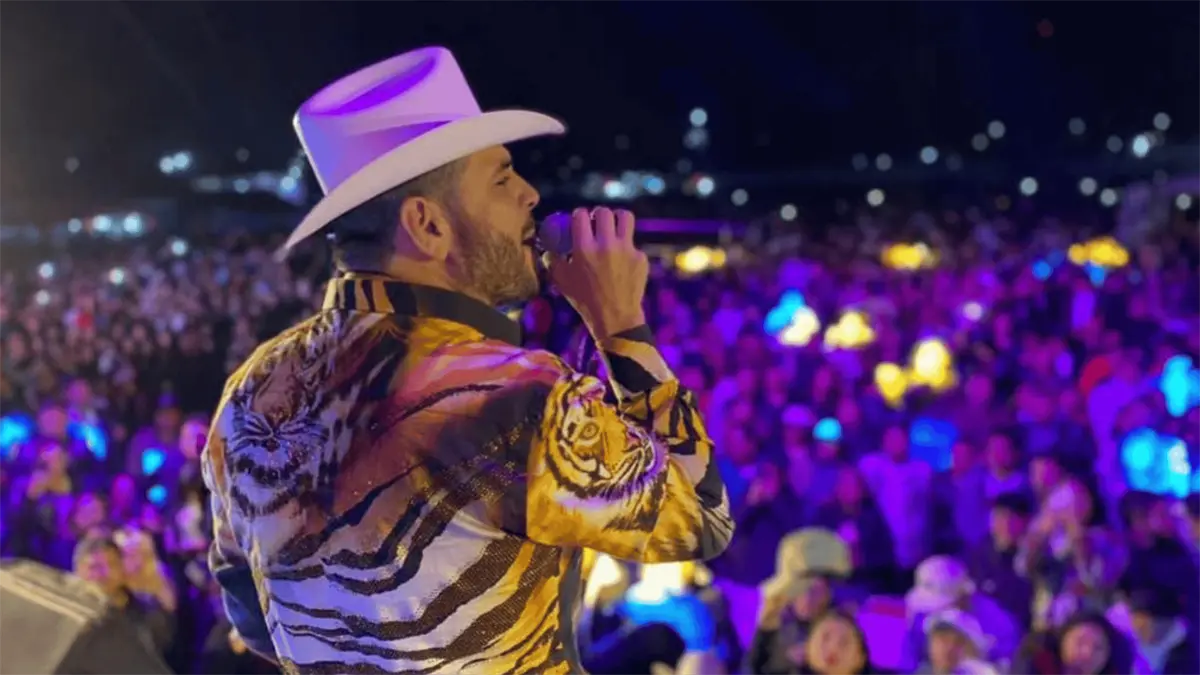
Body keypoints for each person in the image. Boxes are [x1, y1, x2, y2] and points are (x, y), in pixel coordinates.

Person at [202, 46, 733, 674]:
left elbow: (250, 610)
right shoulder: (512, 395)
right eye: (502, 179)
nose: (531, 194)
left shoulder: (251, 389)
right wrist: (620, 324)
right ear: (427, 224)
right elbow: (701, 517)